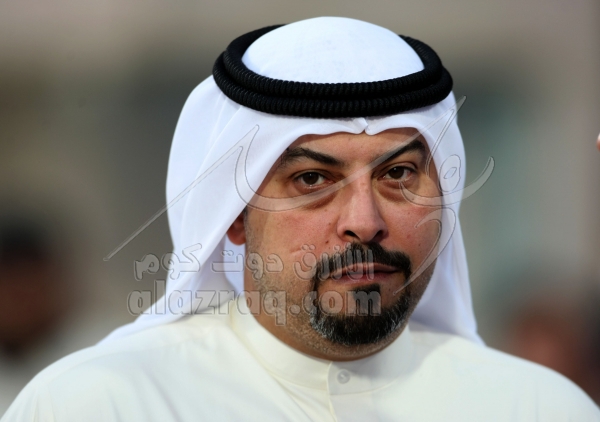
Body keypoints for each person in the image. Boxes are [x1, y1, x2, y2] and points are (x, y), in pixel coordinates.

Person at [3, 17, 599, 421]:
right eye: (312, 180)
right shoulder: (101, 404)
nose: (364, 222)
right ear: (235, 217)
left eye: (398, 175)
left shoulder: (539, 409)